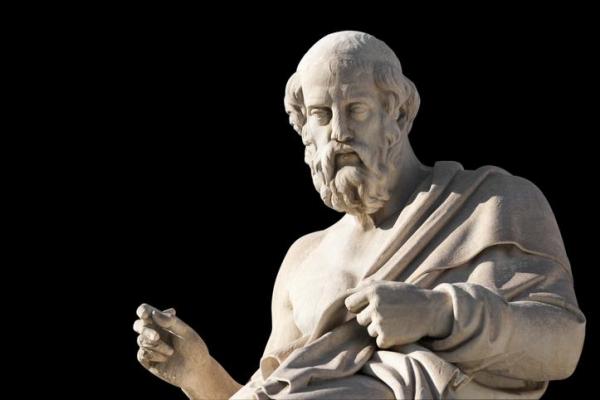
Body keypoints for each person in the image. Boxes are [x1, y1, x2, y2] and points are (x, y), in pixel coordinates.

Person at [133, 31, 585, 399]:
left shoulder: (489, 205)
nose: (340, 133)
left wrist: (436, 313)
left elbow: (562, 345)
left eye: (356, 109)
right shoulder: (303, 261)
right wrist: (201, 375)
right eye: (321, 115)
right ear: (304, 130)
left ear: (398, 115)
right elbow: (273, 395)